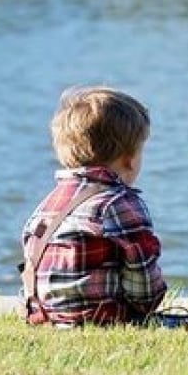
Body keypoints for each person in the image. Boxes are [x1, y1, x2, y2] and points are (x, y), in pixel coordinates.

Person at [19, 85, 169, 326]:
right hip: (102, 319)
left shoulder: (49, 204)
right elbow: (145, 291)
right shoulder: (120, 202)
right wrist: (149, 305)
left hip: (47, 319)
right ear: (129, 160)